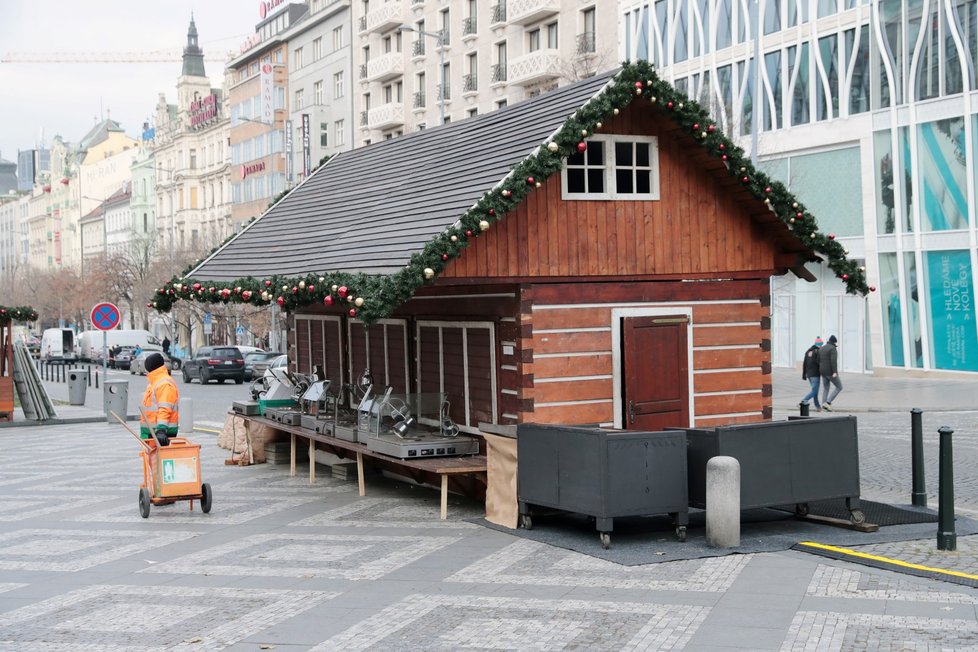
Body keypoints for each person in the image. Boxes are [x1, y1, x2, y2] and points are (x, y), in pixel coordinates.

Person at [139, 352, 179, 446]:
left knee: (160, 460)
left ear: (152, 367)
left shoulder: (164, 384)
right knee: (152, 460)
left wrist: (161, 429)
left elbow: (165, 408)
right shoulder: (154, 382)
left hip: (161, 434)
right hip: (152, 433)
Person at [819, 335, 843, 410]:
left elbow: (818, 360)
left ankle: (823, 404)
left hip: (822, 372)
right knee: (839, 387)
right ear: (834, 342)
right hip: (830, 372)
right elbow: (833, 361)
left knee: (826, 388)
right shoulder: (832, 349)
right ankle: (828, 402)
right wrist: (835, 372)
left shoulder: (822, 348)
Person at [801, 337, 823, 411]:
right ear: (820, 344)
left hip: (809, 375)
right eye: (821, 344)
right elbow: (819, 363)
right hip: (815, 374)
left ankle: (818, 406)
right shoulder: (818, 351)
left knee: (815, 391)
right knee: (814, 391)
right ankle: (804, 400)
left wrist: (804, 374)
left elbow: (804, 363)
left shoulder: (808, 351)